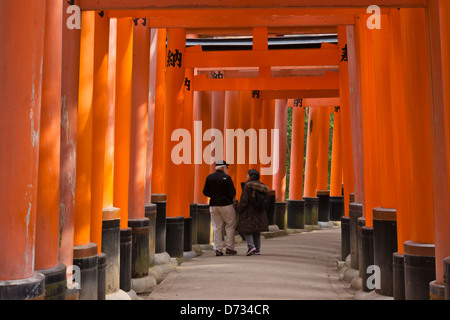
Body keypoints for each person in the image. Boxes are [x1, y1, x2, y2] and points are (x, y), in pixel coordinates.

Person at [202, 160, 238, 256]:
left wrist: (214, 196)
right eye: (226, 167)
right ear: (223, 167)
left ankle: (218, 249)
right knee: (230, 225)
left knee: (216, 227)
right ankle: (229, 248)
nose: (227, 169)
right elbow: (232, 193)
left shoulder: (209, 177)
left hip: (213, 204)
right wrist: (228, 197)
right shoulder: (227, 178)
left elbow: (205, 192)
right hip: (226, 204)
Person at [236, 169, 269, 256]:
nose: (246, 176)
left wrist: (239, 209)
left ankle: (251, 246)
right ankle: (257, 249)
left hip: (249, 212)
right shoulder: (263, 187)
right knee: (256, 231)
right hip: (260, 212)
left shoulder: (247, 186)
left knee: (247, 230)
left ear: (250, 176)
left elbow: (244, 200)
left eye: (248, 175)